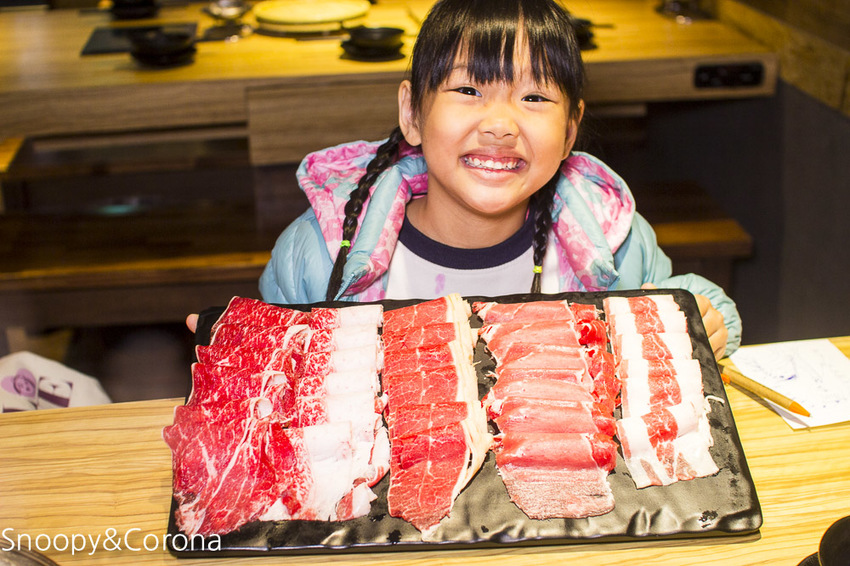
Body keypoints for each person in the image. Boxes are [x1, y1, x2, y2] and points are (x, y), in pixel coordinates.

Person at [212, 0, 739, 358]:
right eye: (468, 90)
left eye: (534, 98)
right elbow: (280, 374)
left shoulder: (606, 241)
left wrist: (709, 318)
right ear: (412, 114)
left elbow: (678, 298)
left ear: (570, 130)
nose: (500, 125)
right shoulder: (323, 252)